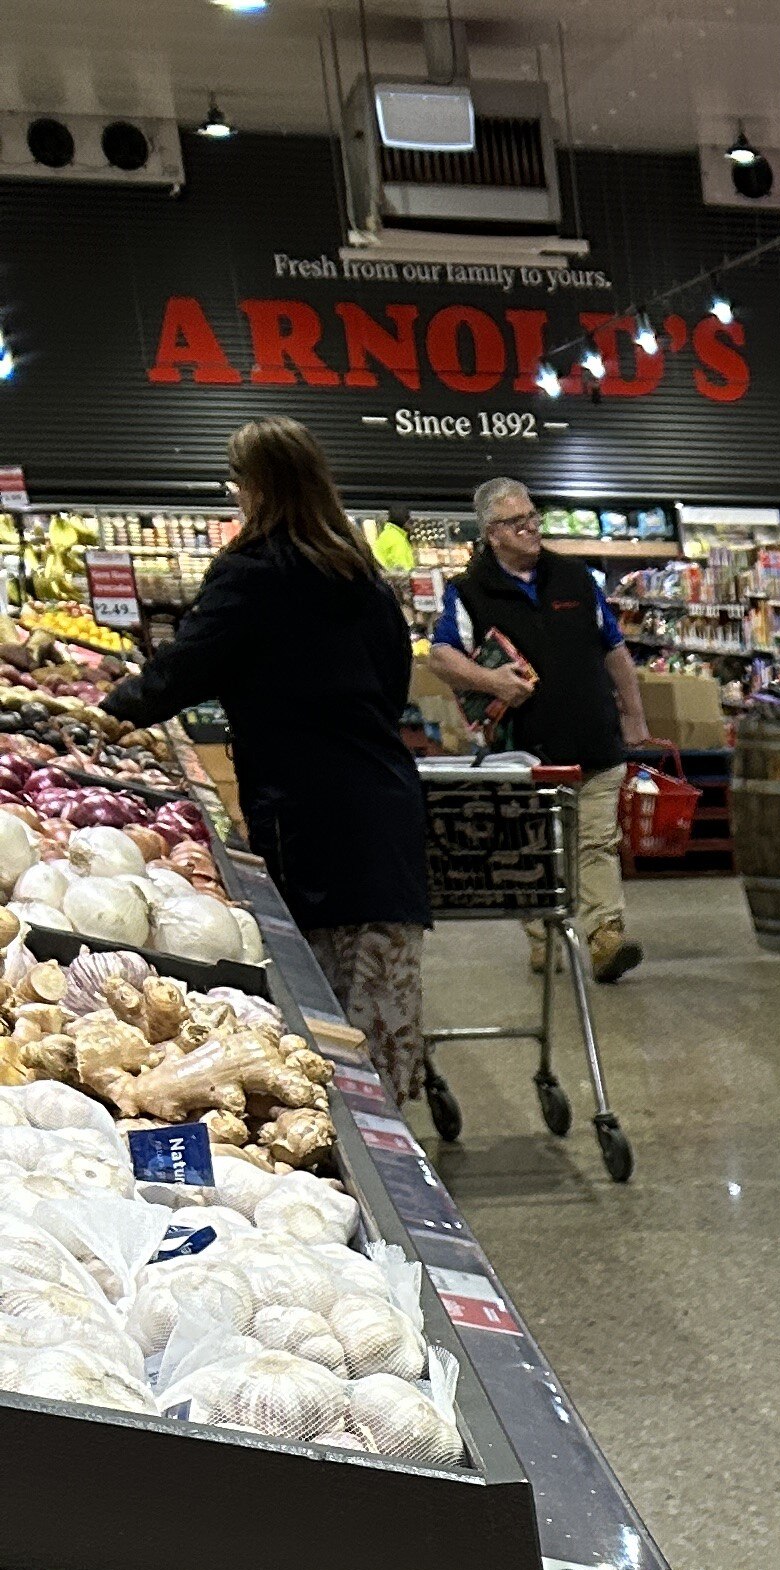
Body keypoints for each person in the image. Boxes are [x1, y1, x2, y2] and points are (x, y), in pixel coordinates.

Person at [100, 417, 430, 1114]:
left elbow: (182, 671)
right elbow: (393, 685)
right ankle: (391, 1156)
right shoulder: (358, 572)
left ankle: (355, 1159)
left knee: (324, 1005)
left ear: (255, 488)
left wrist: (110, 711)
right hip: (380, 803)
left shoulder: (253, 573)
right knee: (378, 996)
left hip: (312, 811)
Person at [426, 477, 649, 981]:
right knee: (534, 845)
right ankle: (542, 938)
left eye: (532, 516)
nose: (530, 528)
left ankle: (603, 937)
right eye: (515, 521)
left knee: (595, 842)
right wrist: (490, 680)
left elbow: (614, 650)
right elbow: (441, 656)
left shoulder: (573, 578)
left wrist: (633, 715)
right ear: (491, 532)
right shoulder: (468, 591)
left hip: (593, 737)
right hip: (522, 750)